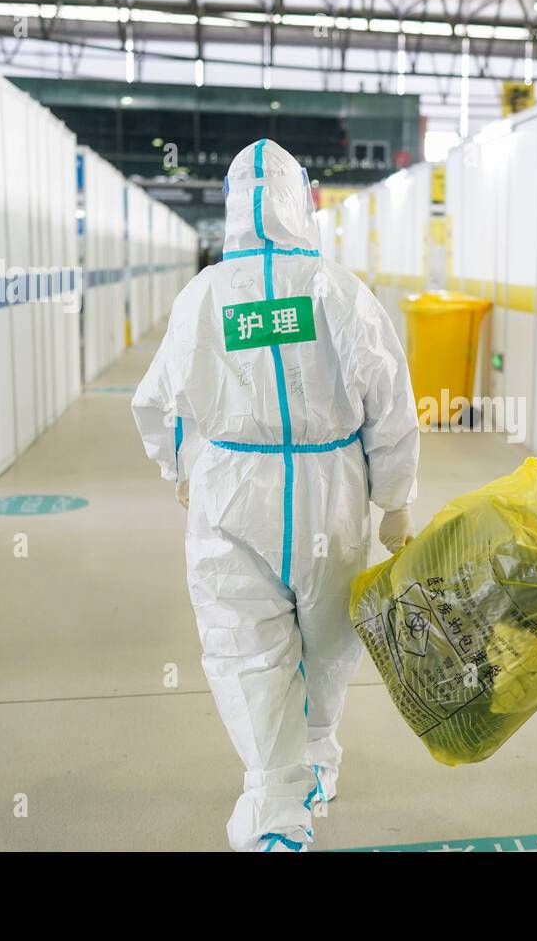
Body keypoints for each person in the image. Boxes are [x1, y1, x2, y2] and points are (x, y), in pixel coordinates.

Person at [132, 139, 420, 852]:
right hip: (333, 493)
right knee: (325, 641)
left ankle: (294, 771)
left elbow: (163, 403)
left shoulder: (204, 295)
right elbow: (389, 398)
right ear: (303, 205)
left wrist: (182, 466)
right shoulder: (339, 290)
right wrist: (397, 497)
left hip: (231, 494)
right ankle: (282, 791)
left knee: (247, 644)